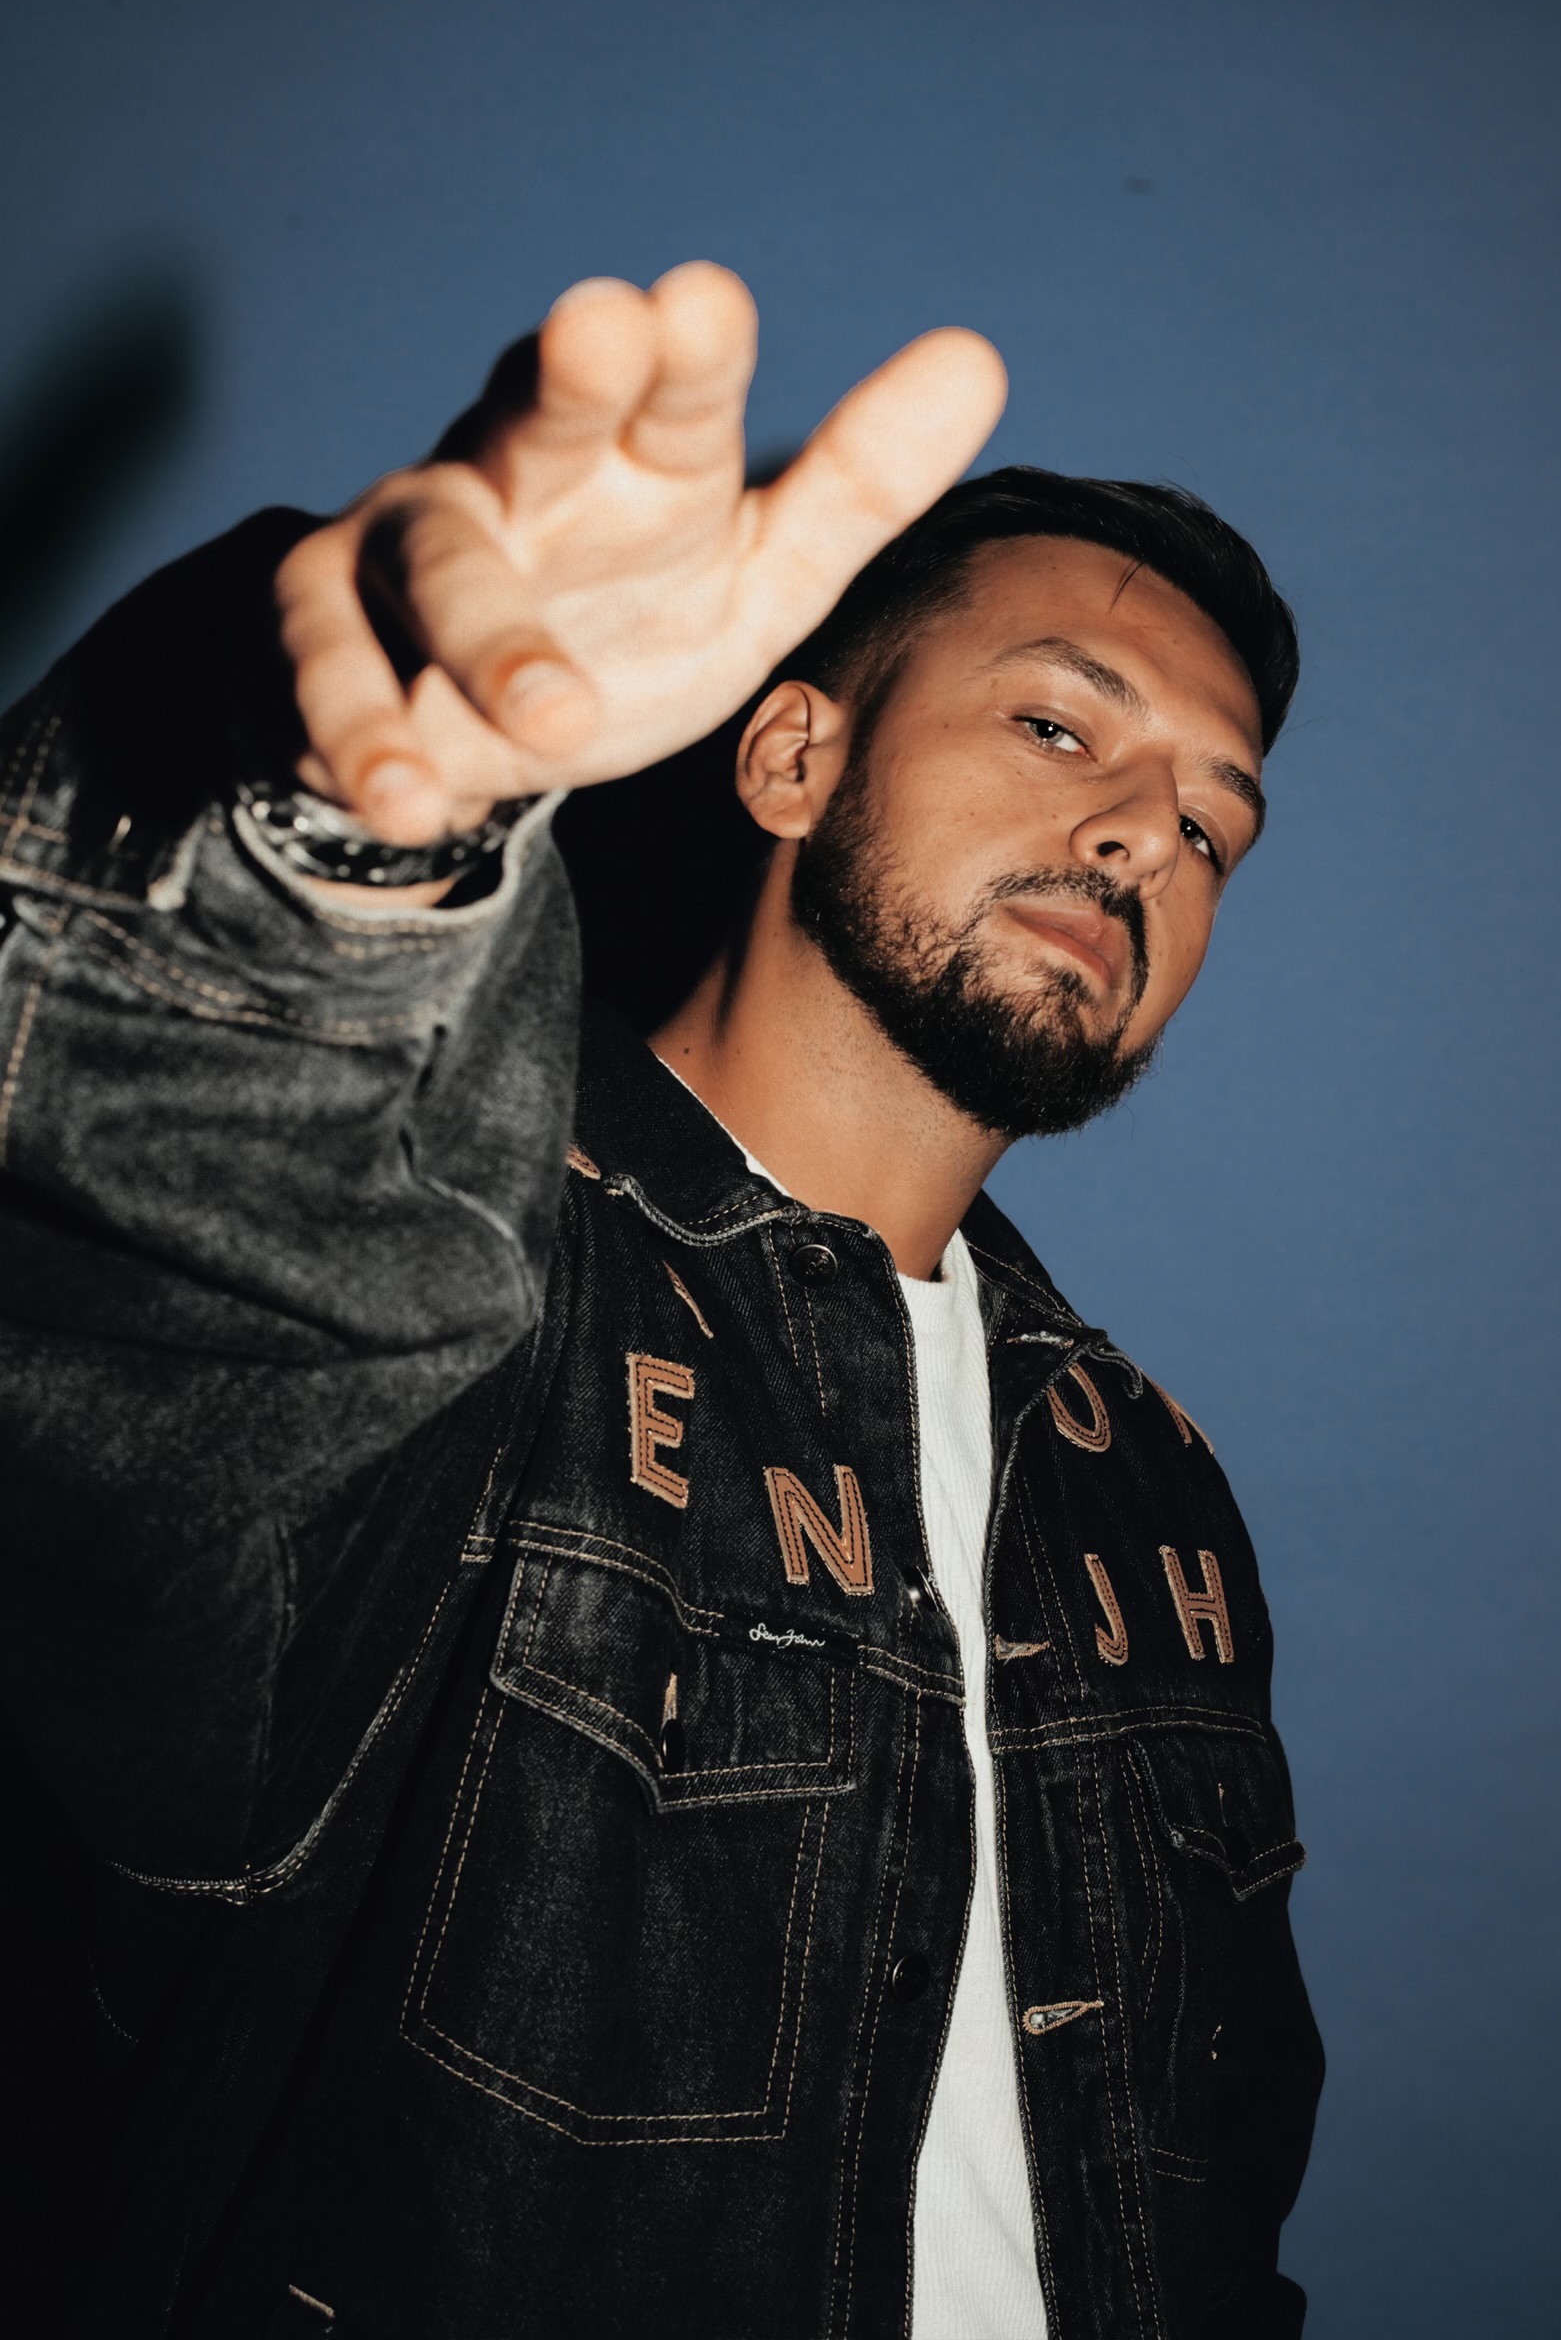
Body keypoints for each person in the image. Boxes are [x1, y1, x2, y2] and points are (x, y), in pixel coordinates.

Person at [0, 262, 1320, 2338]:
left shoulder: (1149, 1493)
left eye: (1214, 825)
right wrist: (352, 853)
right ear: (790, 755)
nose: (1145, 831)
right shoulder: (486, 1276)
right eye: (1058, 724)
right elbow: (210, 1266)